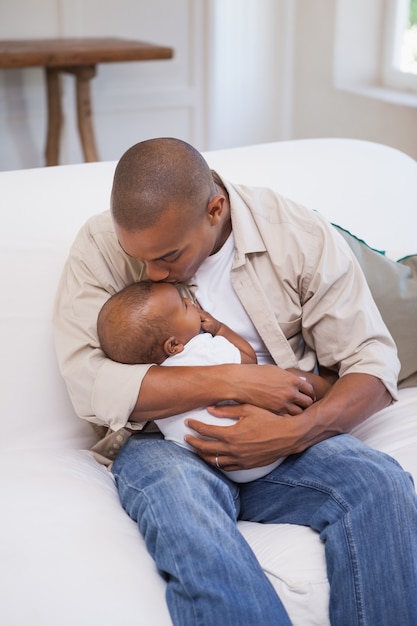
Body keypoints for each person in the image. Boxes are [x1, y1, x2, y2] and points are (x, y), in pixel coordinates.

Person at [53, 137, 417, 625]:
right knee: (183, 506)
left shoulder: (296, 232)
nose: (150, 273)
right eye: (138, 258)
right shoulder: (98, 245)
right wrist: (236, 381)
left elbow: (371, 363)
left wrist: (292, 432)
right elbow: (89, 384)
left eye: (168, 255)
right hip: (165, 440)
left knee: (380, 483)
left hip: (284, 434)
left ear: (215, 209)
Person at [97, 280, 332, 482]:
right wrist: (219, 328)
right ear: (173, 345)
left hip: (219, 465)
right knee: (295, 378)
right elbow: (248, 360)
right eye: (184, 306)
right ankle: (329, 389)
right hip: (265, 449)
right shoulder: (202, 349)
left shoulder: (154, 385)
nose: (190, 304)